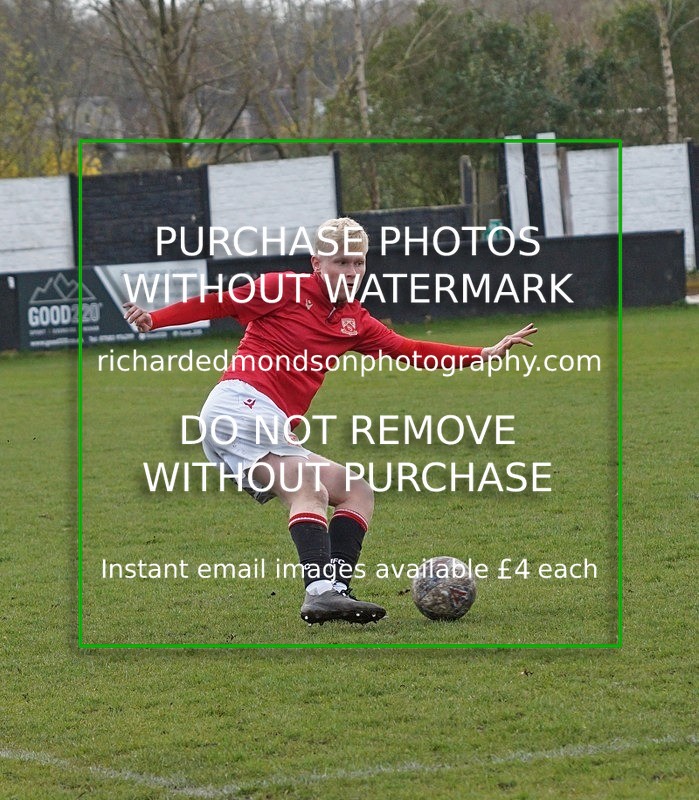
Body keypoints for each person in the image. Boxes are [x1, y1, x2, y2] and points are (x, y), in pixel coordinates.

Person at [124, 217, 537, 625]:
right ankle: (319, 592)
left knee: (356, 490)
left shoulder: (354, 321)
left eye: (358, 262)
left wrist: (482, 354)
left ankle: (334, 590)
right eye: (341, 262)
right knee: (309, 488)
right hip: (240, 404)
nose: (352, 271)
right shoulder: (283, 288)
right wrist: (155, 319)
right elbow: (219, 302)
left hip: (256, 417)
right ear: (316, 263)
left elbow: (409, 349)